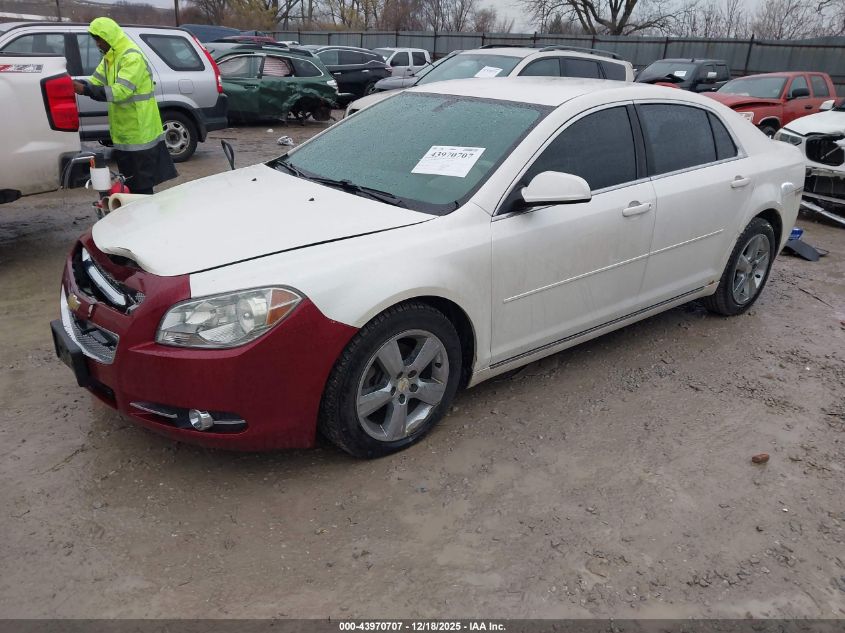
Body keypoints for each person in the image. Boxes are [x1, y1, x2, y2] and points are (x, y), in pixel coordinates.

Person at [72, 17, 177, 194]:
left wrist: (84, 90)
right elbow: (95, 82)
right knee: (132, 183)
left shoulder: (131, 57)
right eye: (95, 40)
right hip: (125, 132)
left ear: (109, 37)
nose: (97, 44)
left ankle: (147, 218)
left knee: (142, 186)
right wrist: (74, 83)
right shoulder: (110, 59)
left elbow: (120, 92)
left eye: (98, 39)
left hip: (140, 131)